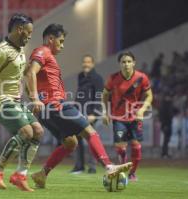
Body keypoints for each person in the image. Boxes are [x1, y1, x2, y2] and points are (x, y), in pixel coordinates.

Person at [25, 23, 132, 189]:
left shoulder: (47, 57)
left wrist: (36, 97)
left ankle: (42, 174)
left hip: (48, 110)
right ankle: (109, 166)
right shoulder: (43, 51)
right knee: (90, 131)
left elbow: (28, 74)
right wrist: (34, 98)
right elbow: (30, 72)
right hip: (56, 105)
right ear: (50, 39)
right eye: (60, 41)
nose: (62, 44)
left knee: (70, 143)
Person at [0, 13, 44, 192]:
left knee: (38, 132)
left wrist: (32, 98)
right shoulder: (0, 51)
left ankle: (20, 175)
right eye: (28, 31)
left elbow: (21, 77)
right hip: (2, 101)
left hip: (16, 102)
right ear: (19, 29)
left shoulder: (20, 51)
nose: (30, 35)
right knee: (26, 132)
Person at [102, 52, 153, 182]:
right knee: (121, 147)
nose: (126, 64)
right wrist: (104, 112)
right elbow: (104, 95)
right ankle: (123, 171)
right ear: (120, 64)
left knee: (136, 147)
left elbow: (149, 96)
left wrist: (142, 110)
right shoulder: (113, 78)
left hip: (135, 118)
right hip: (118, 118)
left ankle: (132, 173)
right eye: (124, 62)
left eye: (129, 61)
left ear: (134, 63)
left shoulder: (141, 78)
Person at [70, 54, 104, 174]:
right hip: (79, 111)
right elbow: (79, 93)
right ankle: (79, 166)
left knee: (91, 139)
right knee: (77, 139)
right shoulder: (80, 76)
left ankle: (92, 167)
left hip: (91, 113)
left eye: (89, 62)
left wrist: (94, 114)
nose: (86, 64)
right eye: (84, 62)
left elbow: (99, 96)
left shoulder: (97, 78)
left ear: (93, 64)